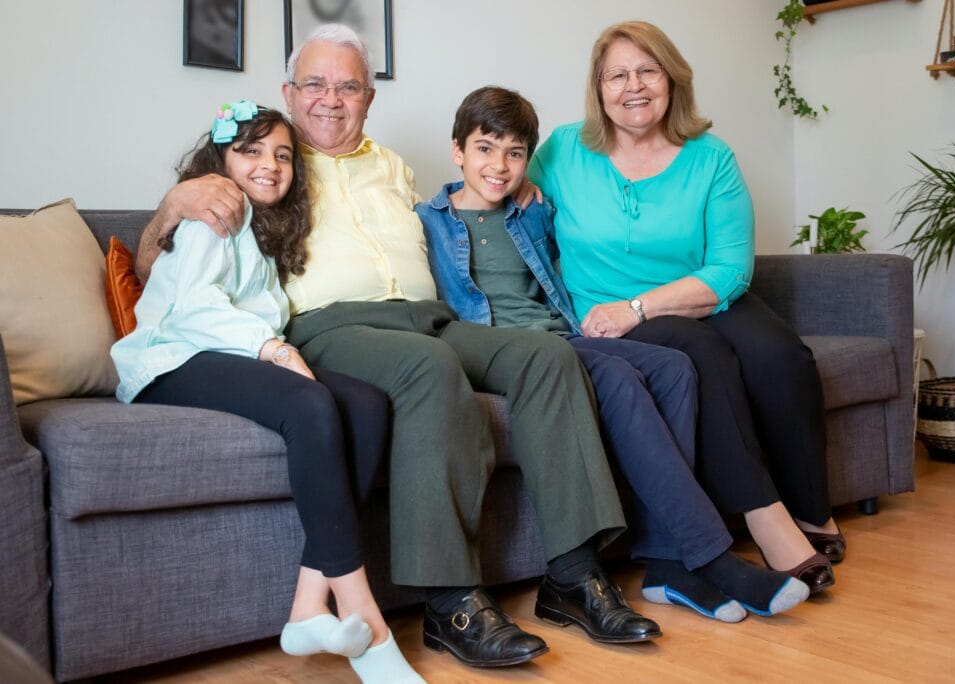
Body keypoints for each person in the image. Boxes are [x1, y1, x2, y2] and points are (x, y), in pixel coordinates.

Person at [134, 26, 661, 670]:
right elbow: (158, 268)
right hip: (332, 326)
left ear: (369, 97)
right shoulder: (266, 164)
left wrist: (519, 193)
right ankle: (452, 602)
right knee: (429, 370)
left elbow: (460, 207)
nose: (332, 99)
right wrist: (174, 204)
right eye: (315, 84)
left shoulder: (390, 165)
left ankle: (574, 577)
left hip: (426, 317)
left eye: (349, 86)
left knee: (547, 357)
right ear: (289, 93)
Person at [417, 85, 811, 622]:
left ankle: (666, 565)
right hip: (503, 352)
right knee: (620, 378)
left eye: (515, 154)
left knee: (675, 368)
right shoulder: (427, 222)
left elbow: (594, 229)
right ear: (457, 151)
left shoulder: (532, 211)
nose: (499, 166)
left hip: (563, 335)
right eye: (484, 149)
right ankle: (711, 557)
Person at [527, 21, 844, 592]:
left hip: (700, 296)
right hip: (606, 313)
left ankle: (812, 511)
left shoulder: (710, 156)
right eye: (617, 75)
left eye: (648, 71)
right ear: (598, 89)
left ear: (672, 80)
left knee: (781, 357)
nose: (634, 86)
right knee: (704, 357)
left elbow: (730, 268)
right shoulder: (562, 151)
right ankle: (765, 519)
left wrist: (641, 306)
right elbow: (502, 195)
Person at [111, 103, 422, 683]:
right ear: (220, 161)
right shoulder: (212, 214)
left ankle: (307, 607)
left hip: (226, 355)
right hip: (170, 358)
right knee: (309, 404)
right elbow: (194, 307)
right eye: (250, 151)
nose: (269, 164)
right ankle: (368, 623)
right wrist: (274, 349)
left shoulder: (264, 229)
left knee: (367, 404)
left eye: (282, 155)